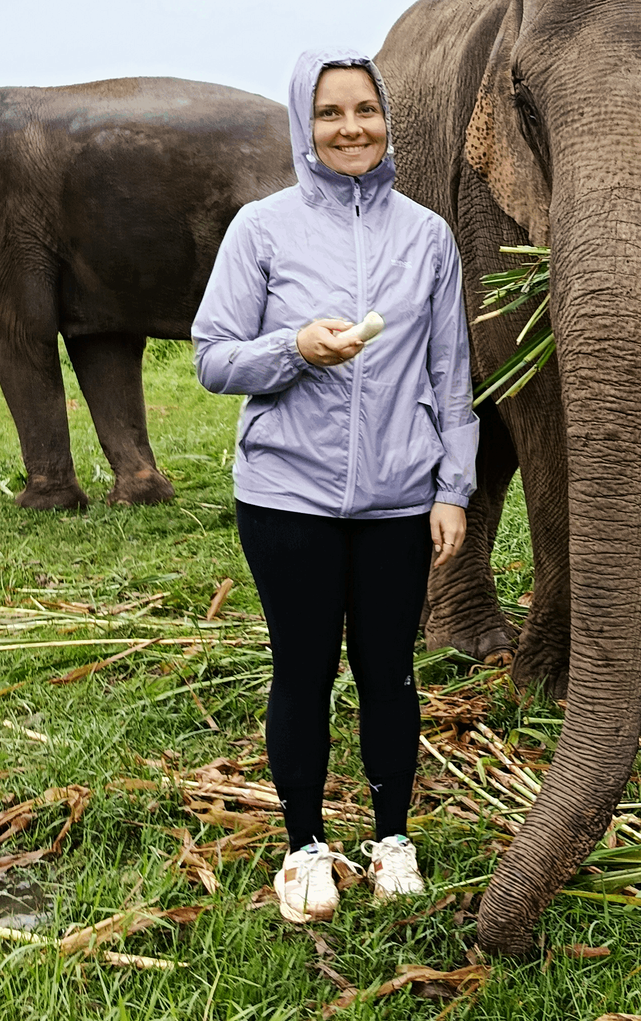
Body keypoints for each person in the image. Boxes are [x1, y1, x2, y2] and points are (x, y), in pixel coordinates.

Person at [193, 51, 478, 924]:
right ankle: (305, 846)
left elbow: (452, 375)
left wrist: (452, 489)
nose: (351, 128)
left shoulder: (427, 235)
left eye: (365, 110)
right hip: (288, 498)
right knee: (303, 671)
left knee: (390, 674)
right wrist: (295, 350)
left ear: (387, 120)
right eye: (330, 113)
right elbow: (212, 356)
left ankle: (391, 836)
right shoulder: (262, 229)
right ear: (303, 126)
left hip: (399, 497)